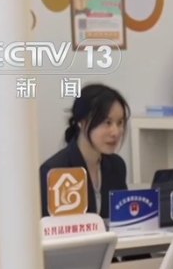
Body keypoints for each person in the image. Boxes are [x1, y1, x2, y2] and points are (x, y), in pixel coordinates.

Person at [39, 83, 129, 218]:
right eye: (107, 123)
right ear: (82, 122)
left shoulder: (117, 165)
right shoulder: (55, 171)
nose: (115, 132)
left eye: (120, 122)